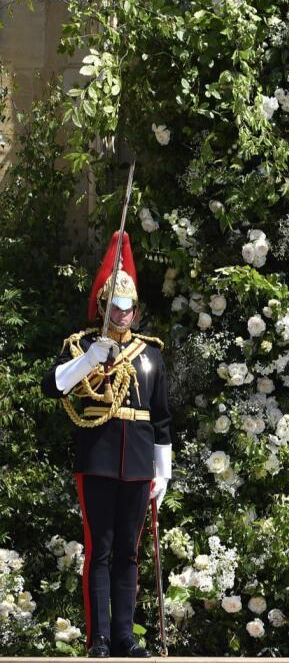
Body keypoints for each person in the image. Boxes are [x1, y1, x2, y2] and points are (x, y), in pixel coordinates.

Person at [41, 231, 171, 658]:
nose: (123, 314)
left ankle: (124, 638)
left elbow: (161, 418)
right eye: (115, 306)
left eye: (128, 307)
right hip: (97, 457)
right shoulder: (83, 347)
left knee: (128, 555)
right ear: (102, 307)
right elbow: (53, 386)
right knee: (100, 550)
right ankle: (97, 639)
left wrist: (163, 470)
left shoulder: (149, 355)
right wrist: (89, 360)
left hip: (137, 463)